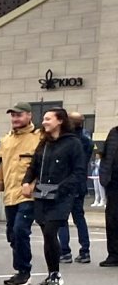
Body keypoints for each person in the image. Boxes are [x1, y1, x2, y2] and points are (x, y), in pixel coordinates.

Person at [22, 107, 89, 285]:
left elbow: (79, 172)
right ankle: (51, 273)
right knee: (46, 235)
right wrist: (27, 182)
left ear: (60, 121)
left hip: (61, 196)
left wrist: (62, 189)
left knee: (51, 232)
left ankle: (56, 275)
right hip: (42, 195)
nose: (44, 122)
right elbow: (33, 166)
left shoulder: (73, 143)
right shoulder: (44, 143)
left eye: (48, 119)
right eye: (43, 119)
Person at [0, 103, 42, 285]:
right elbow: (0, 170)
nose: (16, 119)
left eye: (19, 115)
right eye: (13, 116)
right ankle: (20, 269)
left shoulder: (39, 138)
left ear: (29, 116)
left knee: (20, 230)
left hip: (29, 195)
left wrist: (33, 185)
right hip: (10, 195)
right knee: (12, 234)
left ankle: (24, 270)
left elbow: (42, 167)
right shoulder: (6, 140)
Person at [56, 111, 94, 264]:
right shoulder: (87, 140)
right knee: (79, 218)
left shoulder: (66, 140)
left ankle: (65, 251)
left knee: (62, 219)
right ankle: (85, 251)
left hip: (66, 183)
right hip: (80, 184)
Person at [101, 125, 118, 266]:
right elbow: (106, 155)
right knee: (112, 219)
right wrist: (104, 176)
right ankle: (113, 255)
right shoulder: (114, 132)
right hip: (113, 183)